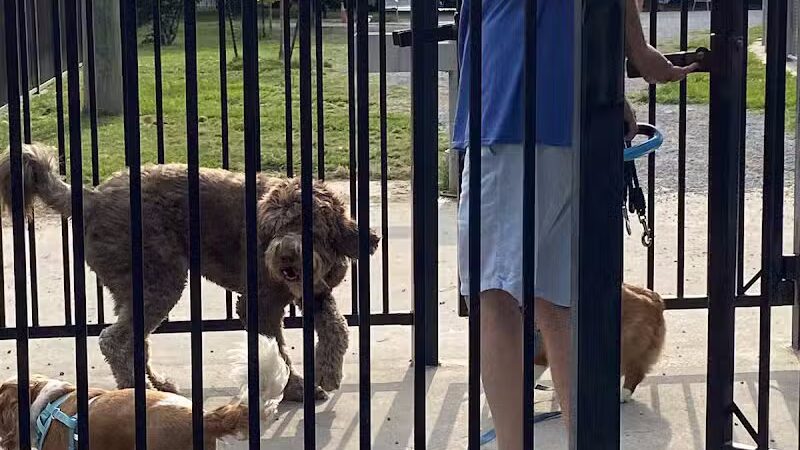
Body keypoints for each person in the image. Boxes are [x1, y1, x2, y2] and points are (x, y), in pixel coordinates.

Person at [452, 0, 695, 449]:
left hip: (512, 103)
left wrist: (637, 50)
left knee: (497, 295)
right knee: (549, 298)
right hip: (542, 104)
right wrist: (620, 70)